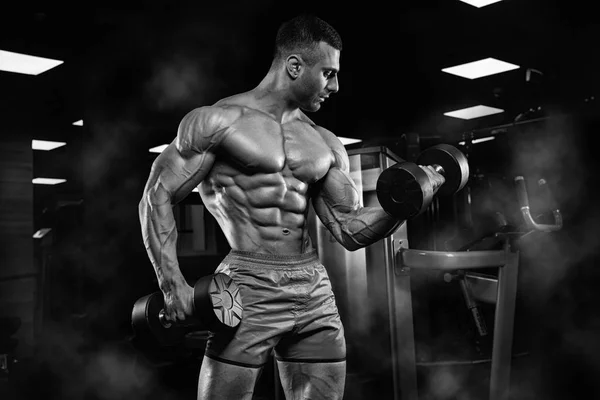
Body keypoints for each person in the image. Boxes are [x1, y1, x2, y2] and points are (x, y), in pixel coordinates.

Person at [138, 14, 445, 400]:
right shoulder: (218, 122)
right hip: (248, 284)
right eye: (328, 74)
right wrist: (172, 285)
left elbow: (349, 230)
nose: (335, 86)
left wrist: (404, 203)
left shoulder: (325, 143)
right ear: (295, 66)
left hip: (312, 286)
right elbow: (157, 195)